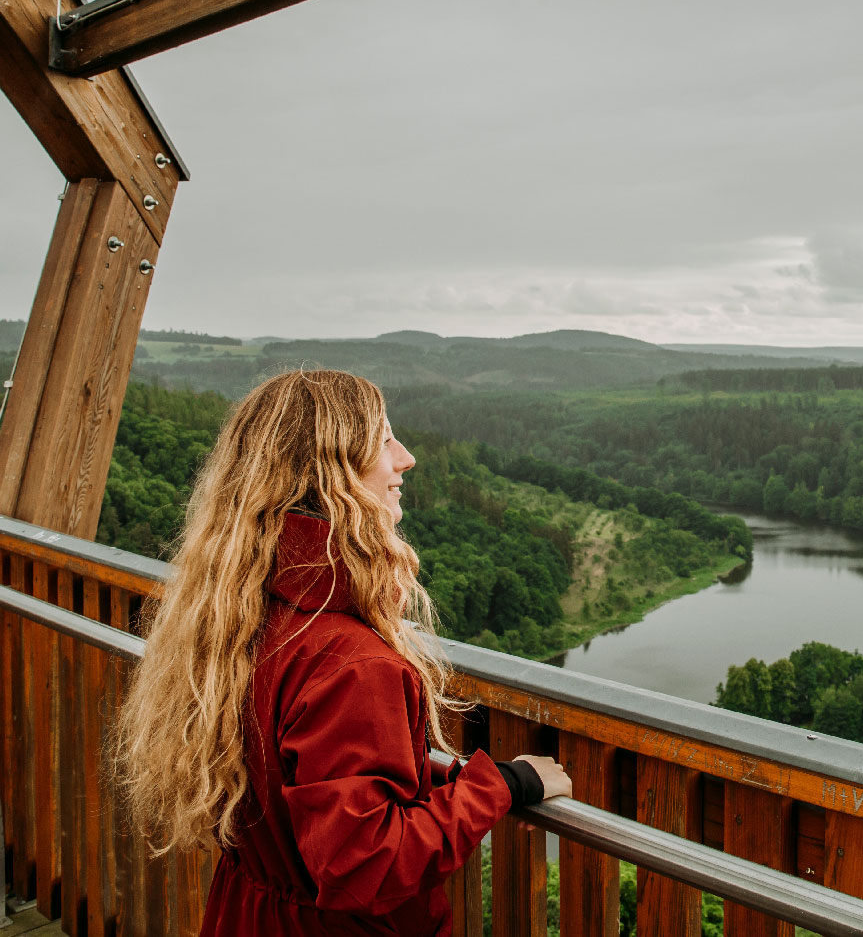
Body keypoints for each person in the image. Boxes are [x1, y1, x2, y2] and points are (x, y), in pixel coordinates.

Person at [116, 369, 571, 936]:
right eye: (383, 441)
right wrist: (498, 788)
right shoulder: (351, 663)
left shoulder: (240, 615)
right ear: (331, 475)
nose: (405, 458)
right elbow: (366, 866)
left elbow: (318, 794)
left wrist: (464, 785)